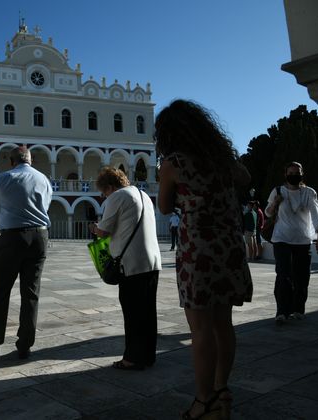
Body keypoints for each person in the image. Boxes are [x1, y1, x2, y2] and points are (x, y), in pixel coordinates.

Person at [156, 99, 253, 420]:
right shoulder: (225, 161)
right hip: (229, 247)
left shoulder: (173, 164)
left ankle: (204, 401)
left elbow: (166, 207)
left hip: (198, 250)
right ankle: (221, 389)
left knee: (200, 329)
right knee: (223, 324)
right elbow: (246, 177)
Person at [0, 146, 52, 360]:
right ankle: (25, 344)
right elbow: (46, 205)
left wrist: (3, 224)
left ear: (11, 161)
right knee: (31, 294)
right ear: (31, 160)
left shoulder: (3, 178)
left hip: (12, 237)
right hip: (39, 237)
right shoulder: (44, 179)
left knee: (0, 291)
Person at [89, 167, 161, 370]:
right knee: (147, 312)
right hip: (152, 261)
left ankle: (131, 358)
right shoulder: (143, 194)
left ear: (110, 187)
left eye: (104, 193)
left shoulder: (117, 196)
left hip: (131, 264)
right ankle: (148, 356)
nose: (104, 196)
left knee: (132, 313)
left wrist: (94, 228)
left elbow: (104, 231)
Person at [265, 161, 318, 325]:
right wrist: (276, 202)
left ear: (302, 174)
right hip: (281, 239)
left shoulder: (309, 193)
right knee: (283, 275)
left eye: (297, 172)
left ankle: (298, 309)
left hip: (303, 240)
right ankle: (282, 311)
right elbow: (268, 213)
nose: (293, 175)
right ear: (285, 174)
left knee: (302, 277)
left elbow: (316, 215)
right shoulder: (278, 191)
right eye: (290, 173)